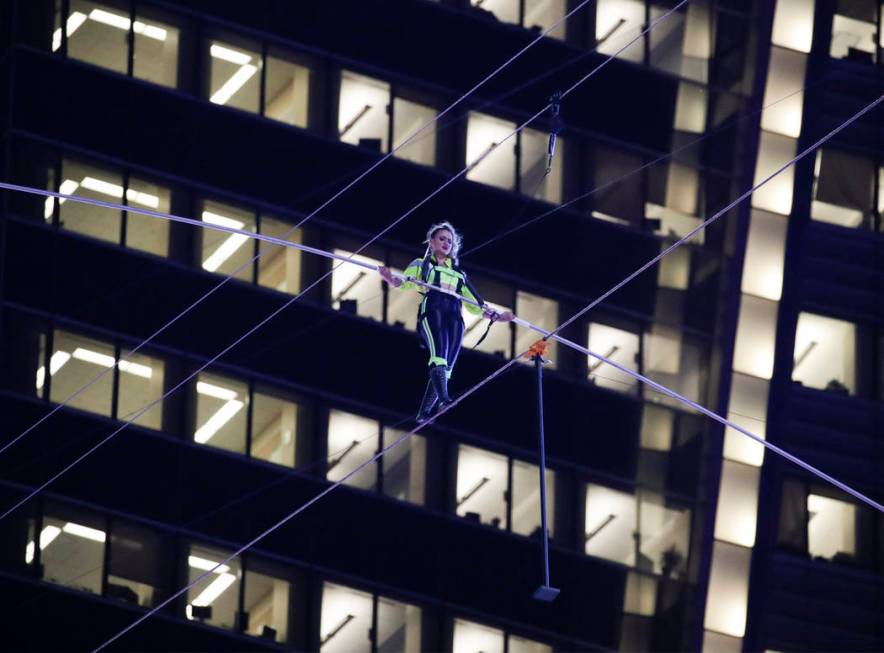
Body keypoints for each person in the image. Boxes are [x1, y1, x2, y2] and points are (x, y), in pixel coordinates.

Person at [379, 221, 514, 422]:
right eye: (442, 239)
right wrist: (390, 278)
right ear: (431, 242)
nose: (446, 243)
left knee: (447, 367)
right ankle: (444, 399)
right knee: (439, 355)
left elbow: (477, 305)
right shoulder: (421, 264)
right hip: (433, 309)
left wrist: (498, 316)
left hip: (455, 317)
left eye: (449, 241)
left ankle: (424, 412)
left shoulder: (459, 274)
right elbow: (404, 283)